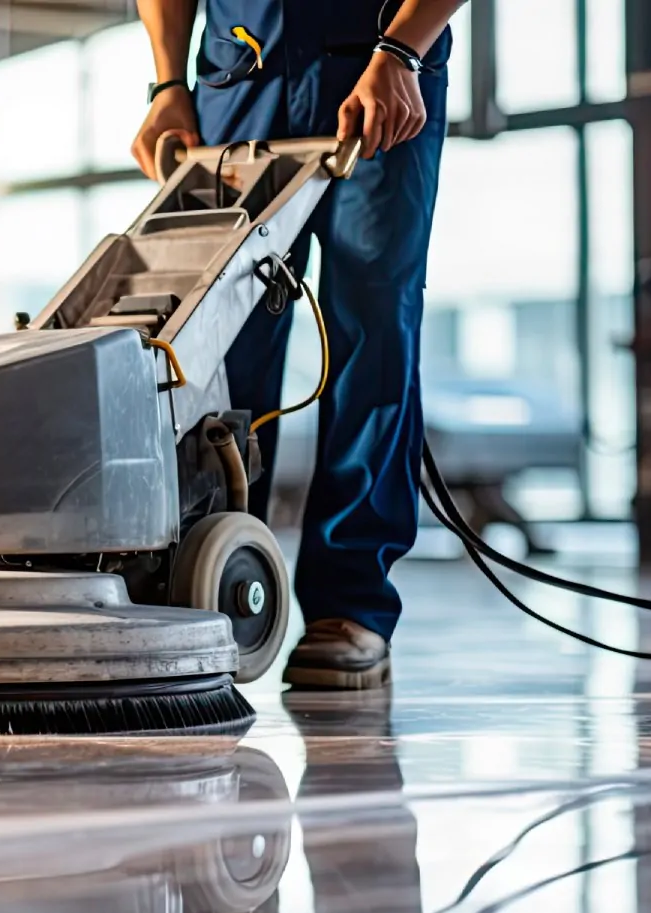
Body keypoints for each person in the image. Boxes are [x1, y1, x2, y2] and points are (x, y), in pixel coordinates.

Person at [132, 0, 461, 690]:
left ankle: (350, 602)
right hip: (239, 80)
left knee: (371, 334)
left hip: (379, 67)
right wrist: (167, 83)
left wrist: (405, 49)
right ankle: (212, 584)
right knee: (212, 345)